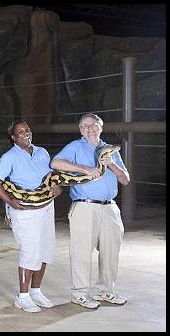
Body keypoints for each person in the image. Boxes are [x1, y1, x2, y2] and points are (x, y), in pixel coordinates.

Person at [50, 113, 130, 309]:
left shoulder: (110, 151)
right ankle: (79, 293)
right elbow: (55, 163)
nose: (89, 129)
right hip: (85, 206)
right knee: (81, 251)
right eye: (85, 126)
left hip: (110, 207)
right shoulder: (75, 147)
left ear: (100, 128)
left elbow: (125, 179)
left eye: (93, 125)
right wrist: (84, 169)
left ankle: (106, 291)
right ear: (80, 130)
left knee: (111, 251)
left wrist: (110, 163)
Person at [0, 120, 62, 313]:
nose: (25, 133)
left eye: (27, 130)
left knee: (45, 250)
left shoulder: (42, 153)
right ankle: (23, 297)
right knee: (30, 252)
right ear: (13, 137)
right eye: (20, 132)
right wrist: (9, 201)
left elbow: (51, 178)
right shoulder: (10, 156)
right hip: (25, 210)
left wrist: (57, 188)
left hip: (46, 207)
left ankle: (36, 292)